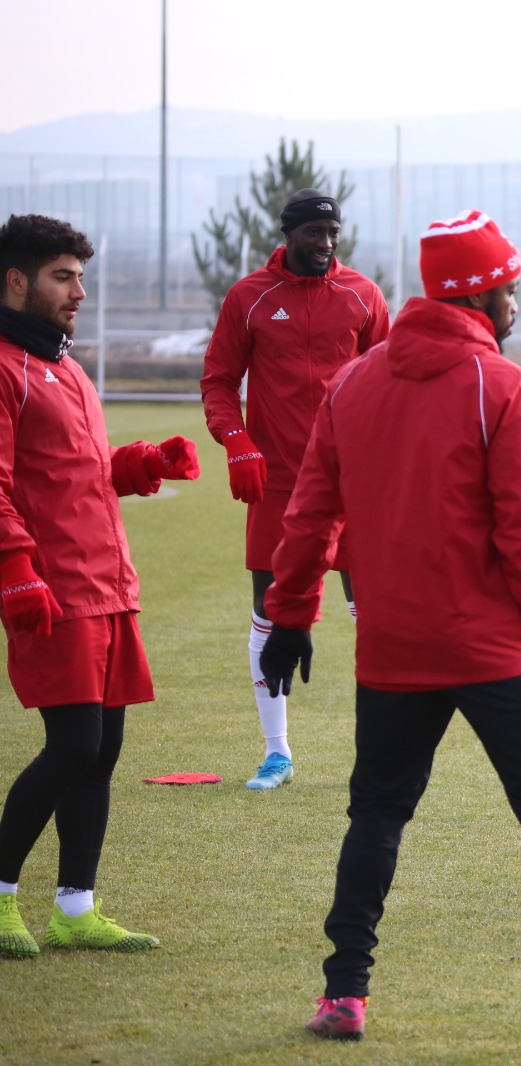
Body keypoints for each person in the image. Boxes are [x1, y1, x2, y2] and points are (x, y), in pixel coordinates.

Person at [258, 210, 521, 1046]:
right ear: (478, 295)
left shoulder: (352, 383)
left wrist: (291, 615)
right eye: (510, 290)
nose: (516, 304)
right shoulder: (504, 387)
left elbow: (308, 518)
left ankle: (342, 997)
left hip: (392, 651)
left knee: (376, 815)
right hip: (494, 650)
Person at [0, 214, 200, 957]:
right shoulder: (5, 368)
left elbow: (78, 473)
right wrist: (16, 572)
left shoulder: (68, 369)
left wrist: (144, 464)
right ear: (16, 281)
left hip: (110, 585)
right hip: (53, 589)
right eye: (62, 277)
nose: (79, 292)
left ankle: (75, 909)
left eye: (80, 277)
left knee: (103, 749)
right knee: (74, 745)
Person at [200, 188, 389, 791]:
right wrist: (237, 441)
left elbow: (390, 380)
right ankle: (276, 753)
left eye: (333, 233)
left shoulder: (363, 295)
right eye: (314, 233)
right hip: (278, 482)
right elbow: (219, 381)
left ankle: (382, 751)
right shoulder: (249, 297)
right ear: (289, 235)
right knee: (270, 611)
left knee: (377, 616)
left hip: (352, 481)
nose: (326, 243)